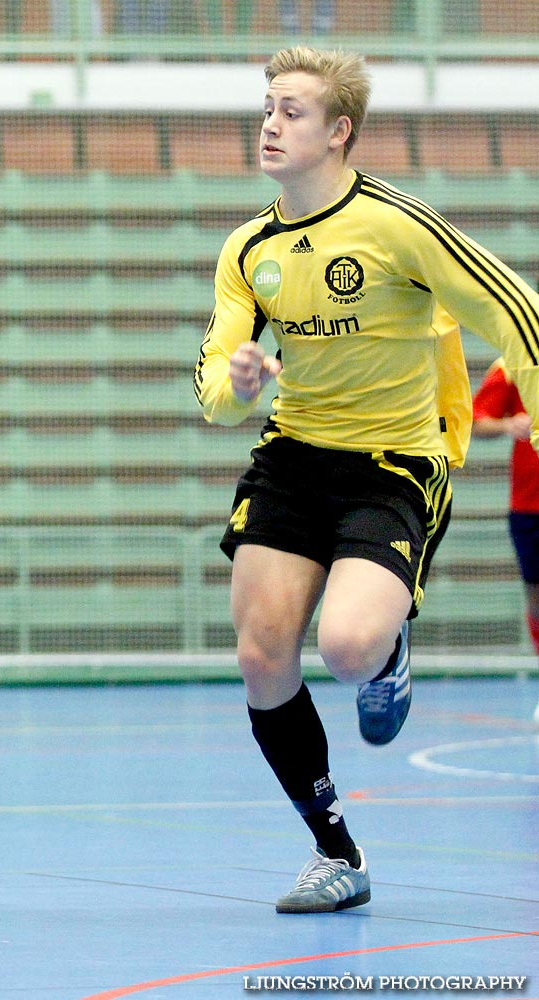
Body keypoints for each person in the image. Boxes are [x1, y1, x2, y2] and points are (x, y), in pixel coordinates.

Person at [194, 45, 539, 914]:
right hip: (292, 459)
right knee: (260, 659)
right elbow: (214, 389)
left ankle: (385, 654)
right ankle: (334, 851)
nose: (270, 123)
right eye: (266, 106)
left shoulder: (397, 225)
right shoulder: (249, 248)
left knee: (345, 648)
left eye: (292, 110)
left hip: (392, 463)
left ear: (338, 130)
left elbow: (516, 312)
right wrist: (234, 385)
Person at [471, 358, 539, 722]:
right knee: (537, 598)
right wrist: (508, 423)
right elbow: (474, 420)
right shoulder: (513, 361)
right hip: (530, 504)